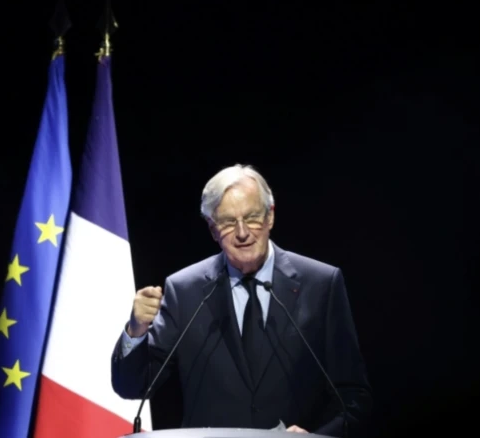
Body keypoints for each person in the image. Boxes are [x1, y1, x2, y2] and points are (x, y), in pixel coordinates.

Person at [111, 164, 373, 436]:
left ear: (270, 216)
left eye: (252, 217)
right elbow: (132, 387)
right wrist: (137, 330)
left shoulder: (321, 284)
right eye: (227, 222)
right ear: (212, 229)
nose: (242, 232)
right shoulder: (184, 290)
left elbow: (354, 399)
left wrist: (316, 437)